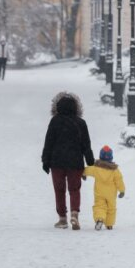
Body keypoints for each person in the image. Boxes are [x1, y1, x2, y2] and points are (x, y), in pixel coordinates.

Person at [41, 92, 95, 230]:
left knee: (59, 190)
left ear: (57, 107)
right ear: (76, 108)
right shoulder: (81, 123)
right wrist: (90, 161)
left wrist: (45, 161)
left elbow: (49, 142)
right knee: (74, 189)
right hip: (75, 162)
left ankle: (62, 218)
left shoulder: (55, 121)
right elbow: (86, 144)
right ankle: (74, 214)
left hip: (57, 162)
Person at [83, 145, 126, 230]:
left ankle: (99, 219)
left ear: (100, 156)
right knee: (111, 208)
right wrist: (122, 191)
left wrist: (83, 174)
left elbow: (86, 170)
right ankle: (109, 224)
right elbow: (119, 181)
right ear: (111, 157)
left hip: (99, 193)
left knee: (99, 206)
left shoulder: (96, 168)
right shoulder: (115, 170)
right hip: (111, 194)